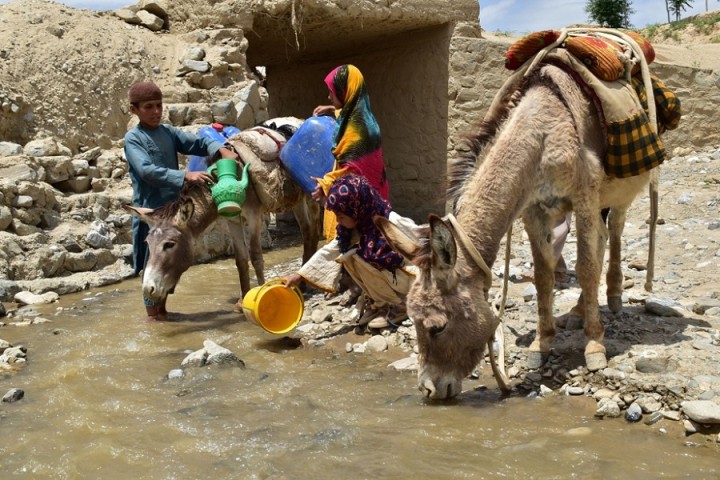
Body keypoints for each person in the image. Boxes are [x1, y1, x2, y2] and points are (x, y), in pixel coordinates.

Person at [124, 81, 238, 321]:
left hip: (174, 210)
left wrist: (220, 149)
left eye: (159, 105)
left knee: (169, 265)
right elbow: (146, 171)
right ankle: (154, 320)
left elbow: (197, 143)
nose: (156, 111)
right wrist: (184, 175)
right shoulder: (133, 139)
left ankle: (162, 317)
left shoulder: (167, 132)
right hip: (153, 213)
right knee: (153, 268)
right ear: (134, 110)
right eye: (148, 107)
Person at [283, 174, 415, 331]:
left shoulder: (390, 221)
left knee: (362, 257)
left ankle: (399, 306)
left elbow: (420, 242)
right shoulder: (353, 230)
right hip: (393, 280)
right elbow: (329, 251)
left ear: (356, 208)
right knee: (349, 254)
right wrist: (299, 276)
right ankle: (381, 304)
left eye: (341, 216)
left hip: (408, 280)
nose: (338, 221)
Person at [312, 64, 389, 242]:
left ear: (345, 91)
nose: (329, 96)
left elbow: (353, 169)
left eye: (332, 91)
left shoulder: (358, 128)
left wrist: (326, 183)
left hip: (359, 207)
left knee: (358, 248)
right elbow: (346, 115)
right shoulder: (362, 115)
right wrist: (332, 109)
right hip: (373, 197)